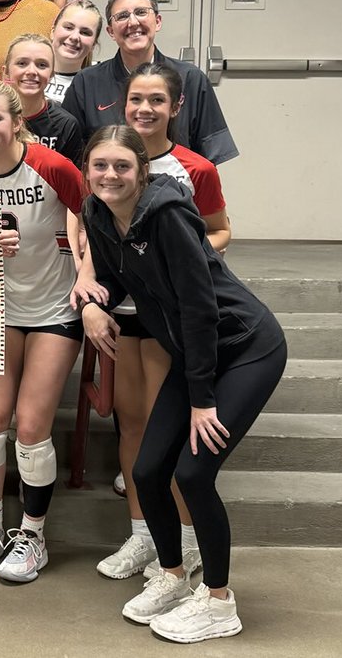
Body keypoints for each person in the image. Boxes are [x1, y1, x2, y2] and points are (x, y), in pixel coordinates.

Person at [76, 125, 286, 643]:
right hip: (194, 352)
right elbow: (114, 278)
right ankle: (172, 576)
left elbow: (199, 309)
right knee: (148, 472)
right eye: (100, 165)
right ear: (88, 169)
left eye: (122, 166)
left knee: (193, 473)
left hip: (243, 347)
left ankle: (219, 603)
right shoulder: (97, 214)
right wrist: (89, 305)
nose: (110, 175)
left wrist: (202, 401)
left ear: (142, 171)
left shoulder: (167, 215)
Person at [89, 62, 231, 585]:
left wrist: (178, 262)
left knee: (163, 431)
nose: (144, 109)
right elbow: (94, 236)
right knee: (130, 423)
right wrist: (91, 298)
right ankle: (144, 534)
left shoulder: (195, 169)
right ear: (120, 106)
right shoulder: (105, 161)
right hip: (123, 312)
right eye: (135, 100)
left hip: (169, 317)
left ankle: (186, 541)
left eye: (156, 100)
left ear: (176, 107)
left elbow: (220, 232)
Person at [0, 82, 85, 584]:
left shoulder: (53, 167)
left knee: (31, 428)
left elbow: (91, 223)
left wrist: (90, 283)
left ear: (17, 122)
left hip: (54, 308)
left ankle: (32, 535)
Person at [64, 0, 239, 166]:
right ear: (110, 32)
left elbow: (208, 163)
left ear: (158, 21)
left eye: (141, 12)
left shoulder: (191, 80)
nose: (133, 22)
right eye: (122, 16)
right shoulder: (86, 82)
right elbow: (71, 160)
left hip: (177, 191)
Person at [4, 34, 83, 166]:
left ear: (52, 73)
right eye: (22, 63)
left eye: (41, 65)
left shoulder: (65, 125)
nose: (31, 71)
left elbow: (72, 182)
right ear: (6, 71)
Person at [45, 0, 102, 105]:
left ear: (93, 44)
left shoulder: (95, 88)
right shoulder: (28, 73)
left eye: (85, 33)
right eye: (68, 27)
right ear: (52, 31)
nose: (75, 37)